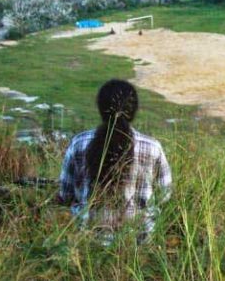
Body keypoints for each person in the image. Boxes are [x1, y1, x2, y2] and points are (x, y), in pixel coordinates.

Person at [57, 79, 171, 243]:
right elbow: (164, 194)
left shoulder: (79, 142)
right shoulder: (153, 147)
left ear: (101, 109)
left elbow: (65, 194)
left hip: (87, 238)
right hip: (139, 239)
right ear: (133, 110)